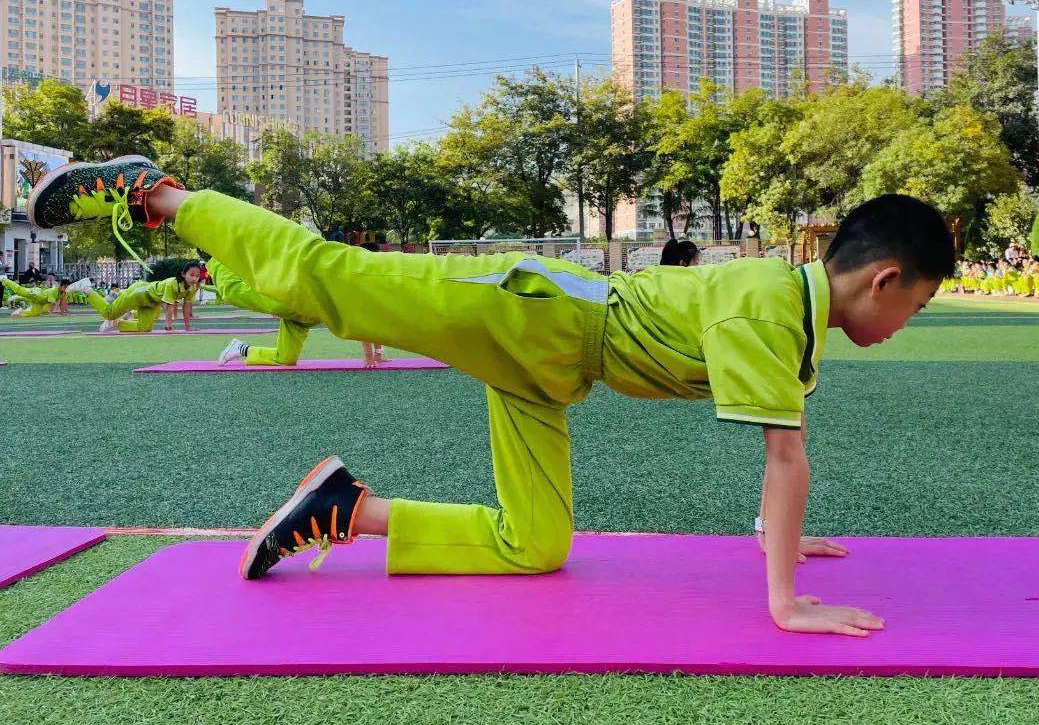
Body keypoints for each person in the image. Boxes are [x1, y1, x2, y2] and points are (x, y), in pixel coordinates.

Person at [29, 158, 953, 638]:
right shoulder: (766, 305)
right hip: (528, 313)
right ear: (884, 280)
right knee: (327, 279)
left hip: (552, 369)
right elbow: (783, 455)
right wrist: (785, 601)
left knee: (536, 546)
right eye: (915, 306)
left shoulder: (793, 321)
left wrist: (772, 538)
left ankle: (346, 509)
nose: (907, 324)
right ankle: (156, 192)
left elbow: (780, 454)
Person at [210, 257, 319, 367]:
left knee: (285, 359)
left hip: (307, 315)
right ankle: (216, 257)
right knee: (232, 292)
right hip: (305, 302)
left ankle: (241, 348)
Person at [68, 260, 201, 333]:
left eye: (197, 275)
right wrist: (168, 326)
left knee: (145, 328)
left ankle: (117, 324)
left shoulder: (193, 287)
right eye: (192, 275)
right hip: (139, 293)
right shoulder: (172, 284)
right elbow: (170, 307)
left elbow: (186, 308)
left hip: (151, 303)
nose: (195, 278)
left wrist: (188, 328)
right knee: (109, 313)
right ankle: (87, 289)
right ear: (183, 274)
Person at [1, 276, 76, 317]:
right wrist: (51, 314)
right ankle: (5, 280)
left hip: (41, 302)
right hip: (36, 293)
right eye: (65, 287)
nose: (66, 289)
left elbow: (62, 304)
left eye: (67, 287)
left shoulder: (64, 293)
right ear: (60, 285)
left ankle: (18, 312)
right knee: (20, 290)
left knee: (34, 314)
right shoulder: (54, 291)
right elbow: (53, 304)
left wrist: (62, 313)